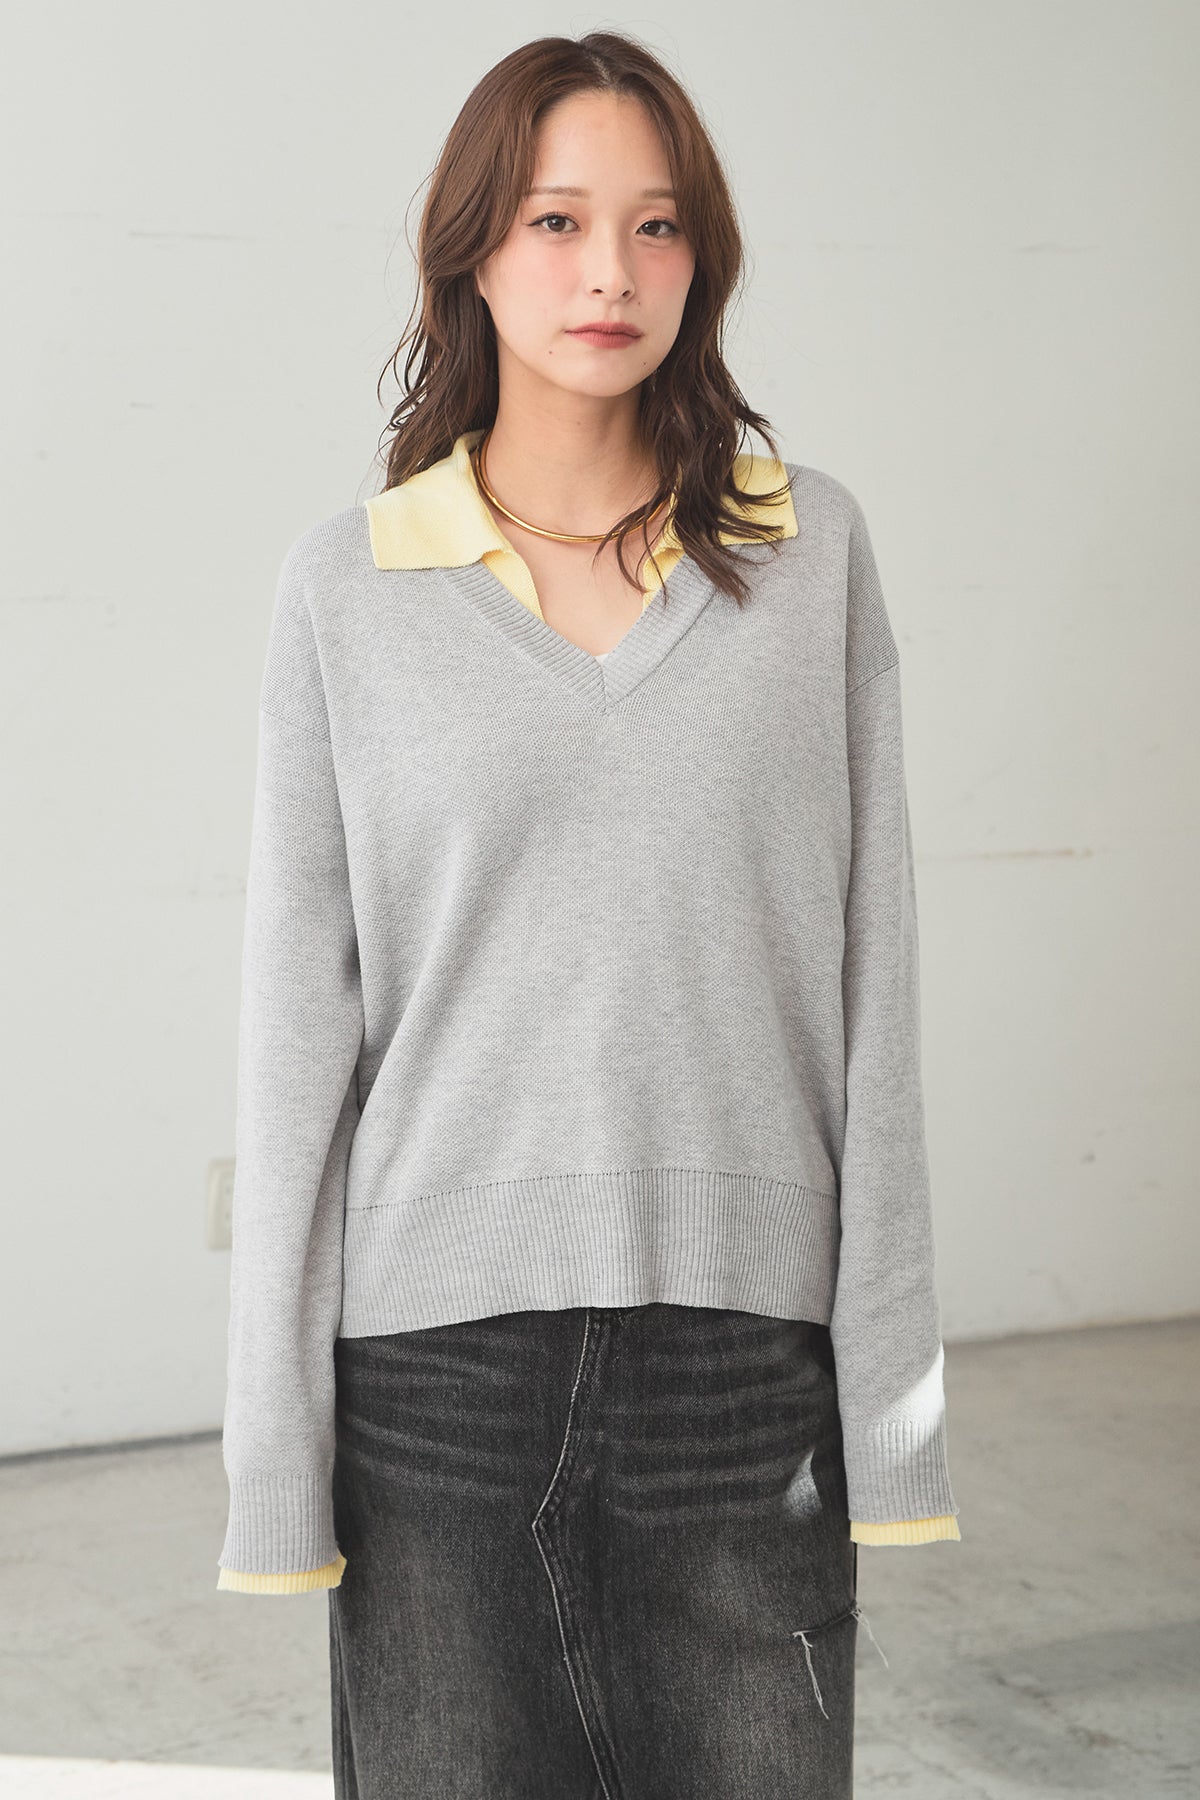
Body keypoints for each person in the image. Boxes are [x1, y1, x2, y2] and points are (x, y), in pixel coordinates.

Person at [216, 29, 961, 1799]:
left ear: (702, 258)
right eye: (555, 221)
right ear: (473, 253)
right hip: (435, 1385)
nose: (609, 271)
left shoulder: (810, 557)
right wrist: (274, 1454)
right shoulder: (347, 589)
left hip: (745, 1366)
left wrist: (890, 1406)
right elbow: (296, 1033)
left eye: (656, 223)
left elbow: (878, 996)